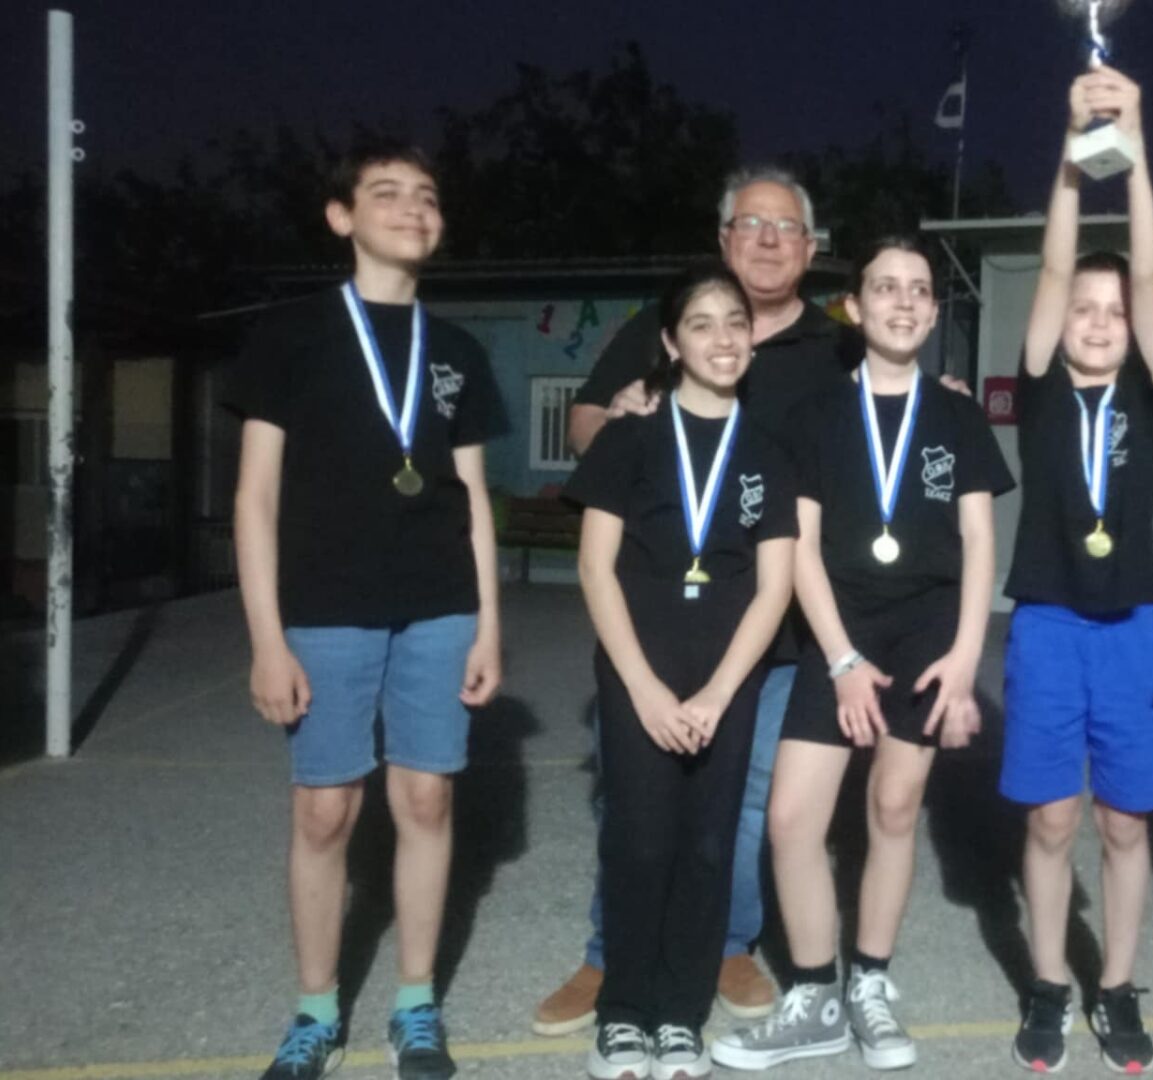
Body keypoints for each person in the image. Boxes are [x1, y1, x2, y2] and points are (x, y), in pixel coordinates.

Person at [536, 166, 859, 1034]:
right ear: (723, 239)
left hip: (773, 622)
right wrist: (629, 413)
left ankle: (723, 946)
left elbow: (888, 413)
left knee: (739, 803)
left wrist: (946, 394)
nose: (768, 239)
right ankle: (611, 957)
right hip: (660, 624)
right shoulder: (667, 319)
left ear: (810, 248)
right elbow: (585, 423)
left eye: (785, 227)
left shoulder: (838, 344)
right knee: (636, 805)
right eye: (751, 223)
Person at [230, 142, 507, 1080]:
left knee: (427, 798)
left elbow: (473, 500)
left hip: (439, 607)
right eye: (386, 193)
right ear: (341, 217)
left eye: (427, 196)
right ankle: (316, 1011)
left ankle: (415, 1004)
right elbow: (255, 498)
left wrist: (489, 625)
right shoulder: (291, 335)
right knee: (324, 811)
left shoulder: (457, 350)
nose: (413, 208)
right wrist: (266, 640)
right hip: (324, 607)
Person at [711, 238, 1013, 1071]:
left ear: (934, 310)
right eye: (885, 287)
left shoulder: (956, 414)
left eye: (918, 289)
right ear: (854, 306)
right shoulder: (816, 415)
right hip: (840, 630)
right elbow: (800, 547)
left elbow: (980, 540)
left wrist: (966, 657)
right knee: (790, 820)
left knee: (893, 808)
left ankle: (870, 983)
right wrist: (841, 660)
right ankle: (815, 997)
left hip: (928, 632)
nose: (903, 302)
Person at [566, 262, 799, 1080]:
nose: (722, 337)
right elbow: (595, 569)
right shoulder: (627, 440)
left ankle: (678, 1017)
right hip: (641, 676)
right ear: (671, 343)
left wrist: (719, 692)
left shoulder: (768, 450)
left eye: (735, 321)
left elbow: (774, 586)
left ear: (752, 338)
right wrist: (646, 689)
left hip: (725, 680)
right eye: (701, 323)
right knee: (639, 843)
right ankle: (623, 1015)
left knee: (707, 847)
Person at [1000, 67, 1153, 1076]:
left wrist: (1132, 141)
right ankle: (1047, 983)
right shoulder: (1038, 384)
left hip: (1132, 627)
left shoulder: (1146, 386)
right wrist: (1074, 150)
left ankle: (1117, 985)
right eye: (1084, 309)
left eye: (1113, 311)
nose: (1100, 320)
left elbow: (1148, 271)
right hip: (1050, 624)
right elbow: (1056, 261)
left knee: (1123, 823)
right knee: (1051, 817)